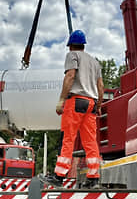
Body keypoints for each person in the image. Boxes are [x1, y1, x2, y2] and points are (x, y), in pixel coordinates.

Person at [41, 29, 104, 189]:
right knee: (90, 142)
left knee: (68, 139)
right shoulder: (94, 62)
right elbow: (101, 86)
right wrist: (98, 106)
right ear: (83, 45)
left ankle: (59, 176)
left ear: (70, 46)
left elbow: (70, 76)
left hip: (76, 101)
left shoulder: (72, 56)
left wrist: (61, 100)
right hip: (91, 103)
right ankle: (94, 178)